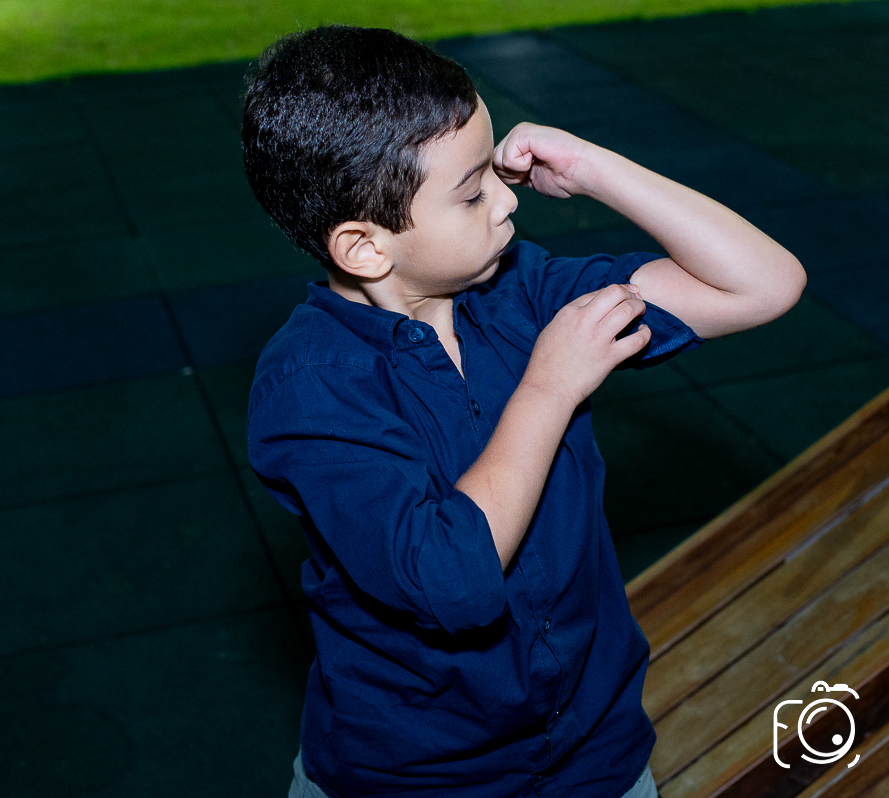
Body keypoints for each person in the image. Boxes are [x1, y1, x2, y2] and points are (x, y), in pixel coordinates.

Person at [242, 25, 805, 798]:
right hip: (417, 781)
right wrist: (549, 388)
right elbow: (452, 580)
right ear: (365, 248)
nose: (508, 201)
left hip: (595, 756)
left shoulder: (519, 292)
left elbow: (762, 285)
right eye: (472, 192)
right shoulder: (311, 387)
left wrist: (597, 169)